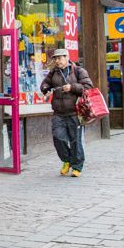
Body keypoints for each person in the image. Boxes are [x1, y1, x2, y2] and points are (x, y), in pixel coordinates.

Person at [40, 49, 93, 177]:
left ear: (67, 57)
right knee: (58, 138)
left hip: (75, 112)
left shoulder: (78, 71)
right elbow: (45, 83)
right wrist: (45, 88)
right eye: (55, 59)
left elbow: (88, 87)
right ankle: (67, 160)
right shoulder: (54, 72)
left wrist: (72, 87)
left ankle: (77, 166)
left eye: (59, 58)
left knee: (75, 141)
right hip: (58, 112)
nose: (57, 61)